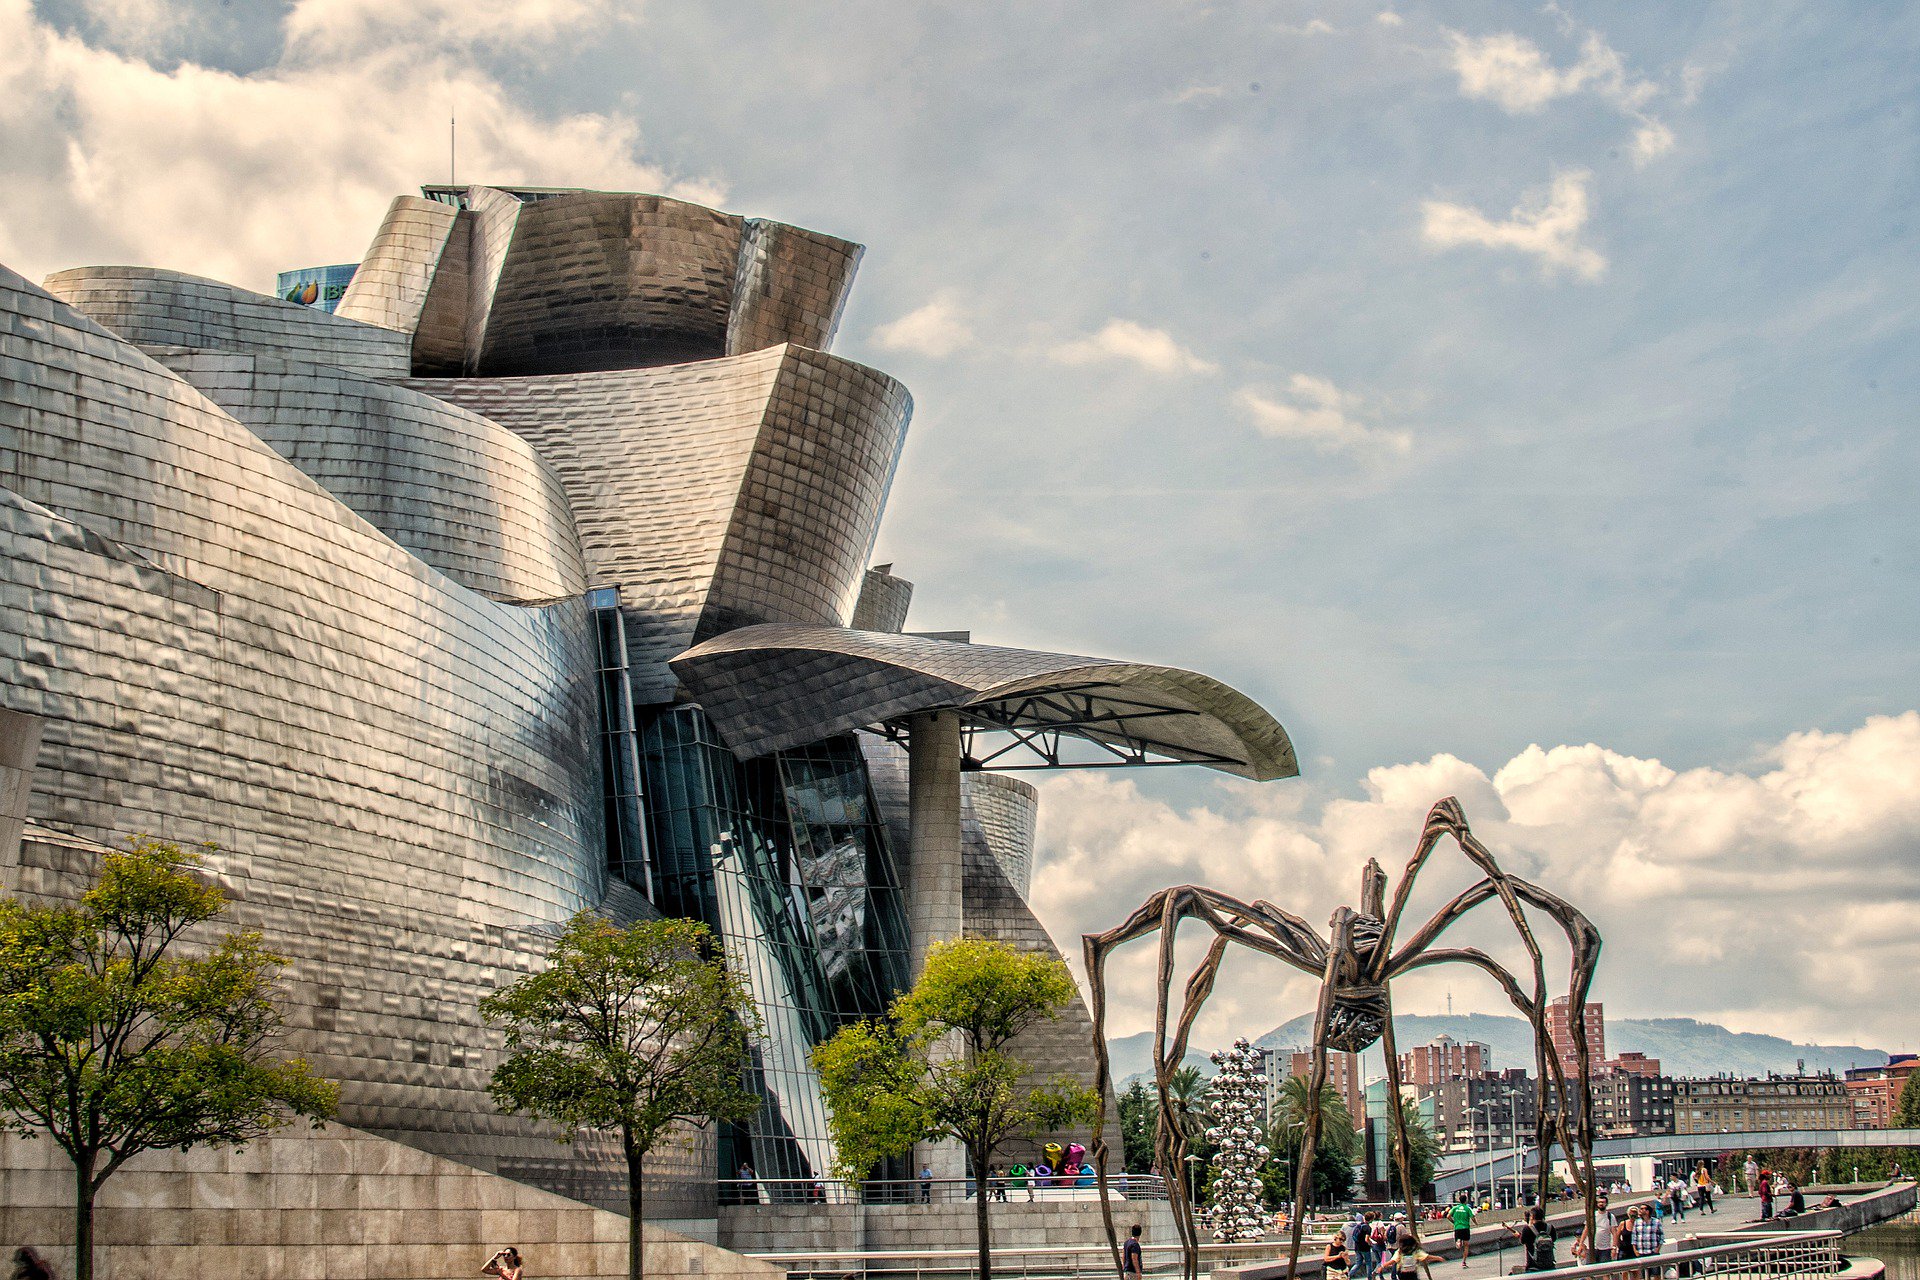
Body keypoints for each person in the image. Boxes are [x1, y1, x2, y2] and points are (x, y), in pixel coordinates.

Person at [1505, 1206, 1554, 1274]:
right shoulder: (1550, 1227)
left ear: (1532, 1216)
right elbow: (1554, 1239)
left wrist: (1520, 1235)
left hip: (1533, 1266)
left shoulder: (1527, 1229)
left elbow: (1522, 1241)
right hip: (1549, 1264)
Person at [1447, 1197, 1476, 1267]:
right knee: (1466, 1245)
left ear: (1459, 1200)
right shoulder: (1467, 1208)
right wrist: (1476, 1223)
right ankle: (1464, 1262)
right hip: (1465, 1228)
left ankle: (1458, 1241)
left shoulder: (1455, 1208)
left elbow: (1448, 1216)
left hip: (1457, 1228)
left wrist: (1454, 1222)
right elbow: (1472, 1217)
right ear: (1466, 1200)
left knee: (1458, 1244)